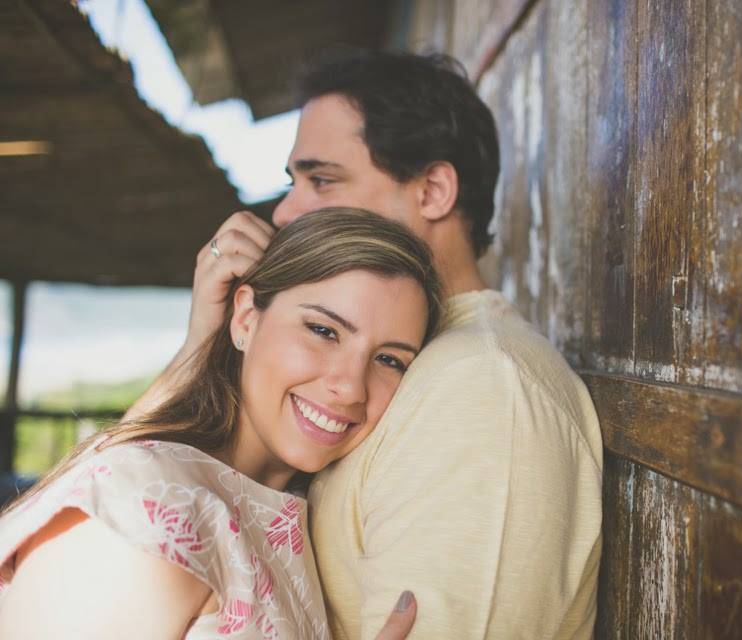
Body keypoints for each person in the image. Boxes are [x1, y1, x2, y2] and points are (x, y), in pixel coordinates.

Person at [129, 49, 604, 639]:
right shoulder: (404, 366)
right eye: (293, 182)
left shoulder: (483, 389)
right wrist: (203, 342)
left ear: (433, 190)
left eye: (321, 179)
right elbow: (134, 503)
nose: (285, 211)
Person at [0, 209, 444, 639]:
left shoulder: (296, 513)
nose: (351, 387)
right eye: (323, 331)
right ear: (247, 318)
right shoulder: (141, 508)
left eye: (389, 359)